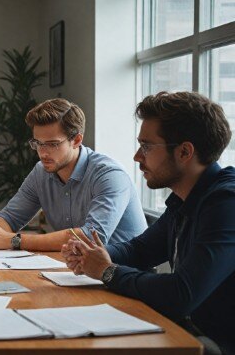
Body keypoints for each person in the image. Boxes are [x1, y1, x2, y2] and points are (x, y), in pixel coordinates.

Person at [62, 91, 235, 355]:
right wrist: (94, 256)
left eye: (146, 146)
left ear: (185, 152)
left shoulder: (226, 204)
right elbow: (141, 250)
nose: (137, 157)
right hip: (188, 331)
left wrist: (107, 271)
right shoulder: (187, 197)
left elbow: (181, 295)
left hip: (215, 343)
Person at [0, 98, 146, 251]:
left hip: (126, 276)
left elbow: (91, 237)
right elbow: (10, 218)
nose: (43, 153)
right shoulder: (41, 171)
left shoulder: (109, 175)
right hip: (76, 271)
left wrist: (14, 240)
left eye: (52, 144)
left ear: (77, 140)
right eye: (38, 143)